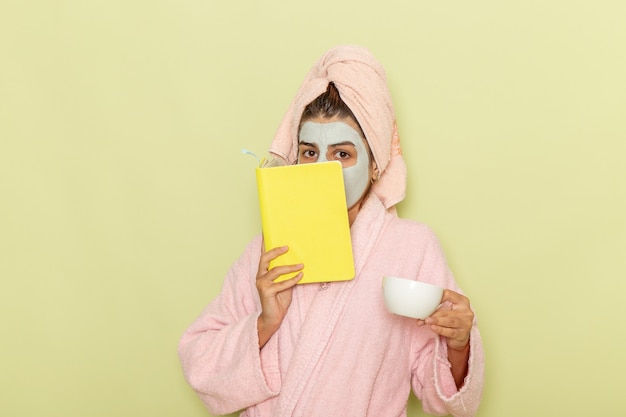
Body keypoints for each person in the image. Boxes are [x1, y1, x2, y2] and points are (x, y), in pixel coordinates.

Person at [178, 45, 484, 417]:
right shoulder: (268, 253)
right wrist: (265, 322)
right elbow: (200, 364)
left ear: (375, 163)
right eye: (309, 153)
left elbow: (445, 401)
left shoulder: (412, 248)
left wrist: (459, 343)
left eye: (342, 154)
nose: (322, 170)